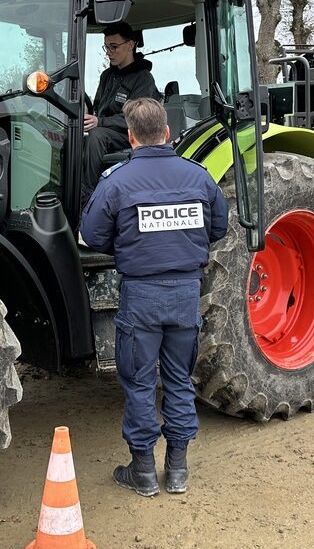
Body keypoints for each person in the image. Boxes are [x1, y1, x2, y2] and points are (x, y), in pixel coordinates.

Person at [80, 97, 229, 497]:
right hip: (185, 294)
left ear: (130, 137)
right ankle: (177, 471)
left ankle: (143, 472)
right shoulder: (199, 177)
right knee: (179, 379)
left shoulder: (116, 180)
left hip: (141, 297)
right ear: (167, 132)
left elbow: (93, 236)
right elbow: (220, 226)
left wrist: (132, 243)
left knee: (140, 382)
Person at [81, 22, 161, 204]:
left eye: (114, 46)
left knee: (96, 136)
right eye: (106, 47)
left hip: (132, 134)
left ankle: (90, 198)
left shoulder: (143, 78)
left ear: (130, 45)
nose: (108, 52)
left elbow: (139, 118)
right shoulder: (107, 76)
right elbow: (97, 108)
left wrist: (100, 122)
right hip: (105, 131)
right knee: (71, 138)